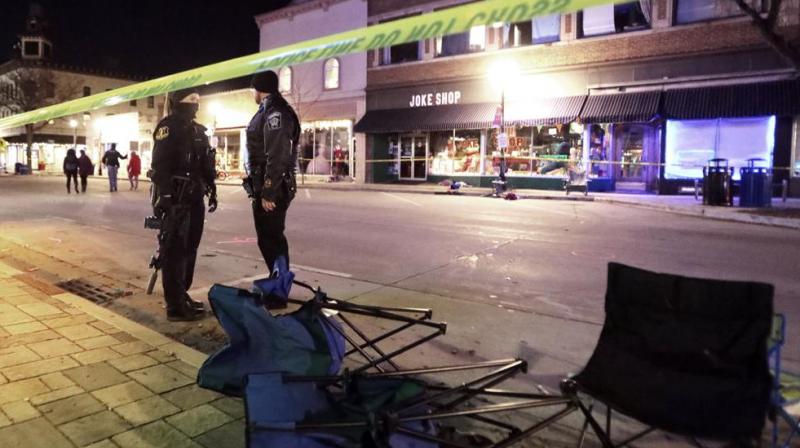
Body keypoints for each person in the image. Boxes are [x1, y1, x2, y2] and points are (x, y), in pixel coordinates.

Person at [150, 88, 218, 322]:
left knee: (190, 247)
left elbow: (205, 164)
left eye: (198, 100)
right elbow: (160, 166)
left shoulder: (199, 131)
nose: (196, 104)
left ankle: (182, 292)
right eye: (191, 99)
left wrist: (212, 188)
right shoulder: (168, 127)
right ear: (178, 101)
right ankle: (174, 305)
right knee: (174, 250)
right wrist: (166, 196)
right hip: (175, 197)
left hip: (195, 195)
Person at [245, 70, 300, 273]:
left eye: (253, 89)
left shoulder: (276, 112)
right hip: (266, 184)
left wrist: (269, 190)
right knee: (268, 239)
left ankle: (279, 289)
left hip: (274, 188)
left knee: (272, 239)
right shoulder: (268, 110)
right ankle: (277, 283)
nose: (253, 93)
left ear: (260, 89)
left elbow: (277, 154)